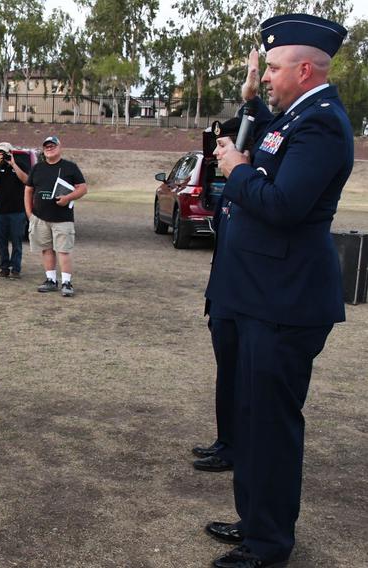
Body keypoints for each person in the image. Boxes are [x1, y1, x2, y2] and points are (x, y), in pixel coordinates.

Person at [204, 14, 352, 568]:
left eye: (272, 67)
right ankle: (254, 522)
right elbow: (263, 162)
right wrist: (245, 158)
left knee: (271, 425)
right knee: (249, 416)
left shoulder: (322, 124)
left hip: (284, 300)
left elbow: (284, 206)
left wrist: (239, 168)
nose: (265, 75)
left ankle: (268, 545)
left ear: (304, 69)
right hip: (257, 294)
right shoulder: (291, 120)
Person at [25, 135, 87, 297]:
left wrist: (68, 198)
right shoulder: (37, 168)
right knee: (46, 249)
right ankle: (51, 280)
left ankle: (67, 282)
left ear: (60, 147)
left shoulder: (70, 167)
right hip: (40, 217)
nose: (49, 148)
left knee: (63, 250)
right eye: (46, 146)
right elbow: (28, 190)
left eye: (53, 145)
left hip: (62, 218)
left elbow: (82, 188)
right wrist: (29, 213)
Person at [0, 141, 28, 279]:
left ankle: (16, 269)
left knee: (17, 241)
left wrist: (13, 164)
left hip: (17, 211)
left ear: (10, 152)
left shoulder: (19, 164)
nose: (2, 155)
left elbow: (26, 180)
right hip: (0, 211)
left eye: (4, 152)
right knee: (1, 242)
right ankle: (4, 268)